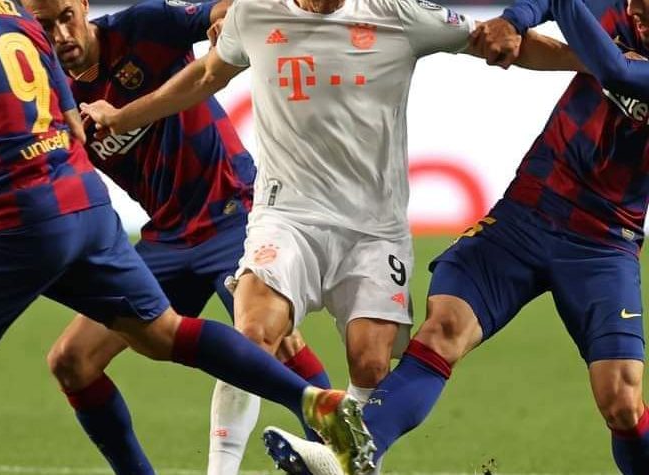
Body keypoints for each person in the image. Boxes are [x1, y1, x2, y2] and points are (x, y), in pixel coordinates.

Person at [78, 1, 584, 473]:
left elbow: (494, 39)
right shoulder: (255, 13)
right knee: (253, 335)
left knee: (370, 363)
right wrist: (121, 116)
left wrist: (592, 63)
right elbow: (207, 75)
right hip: (286, 217)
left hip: (373, 229)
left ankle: (344, 464)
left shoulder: (396, 13)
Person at [0, 1, 371, 473]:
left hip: (232, 212)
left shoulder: (142, 27)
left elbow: (222, 11)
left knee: (269, 337)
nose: (62, 35)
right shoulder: (48, 81)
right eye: (47, 25)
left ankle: (338, 456)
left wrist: (228, 22)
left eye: (67, 17)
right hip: (166, 236)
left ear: (84, 6)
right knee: (74, 361)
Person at [264, 0, 649, 473]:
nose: (633, 9)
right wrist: (514, 20)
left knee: (621, 400)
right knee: (444, 327)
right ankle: (346, 458)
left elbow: (616, 71)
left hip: (602, 242)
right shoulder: (618, 8)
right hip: (526, 212)